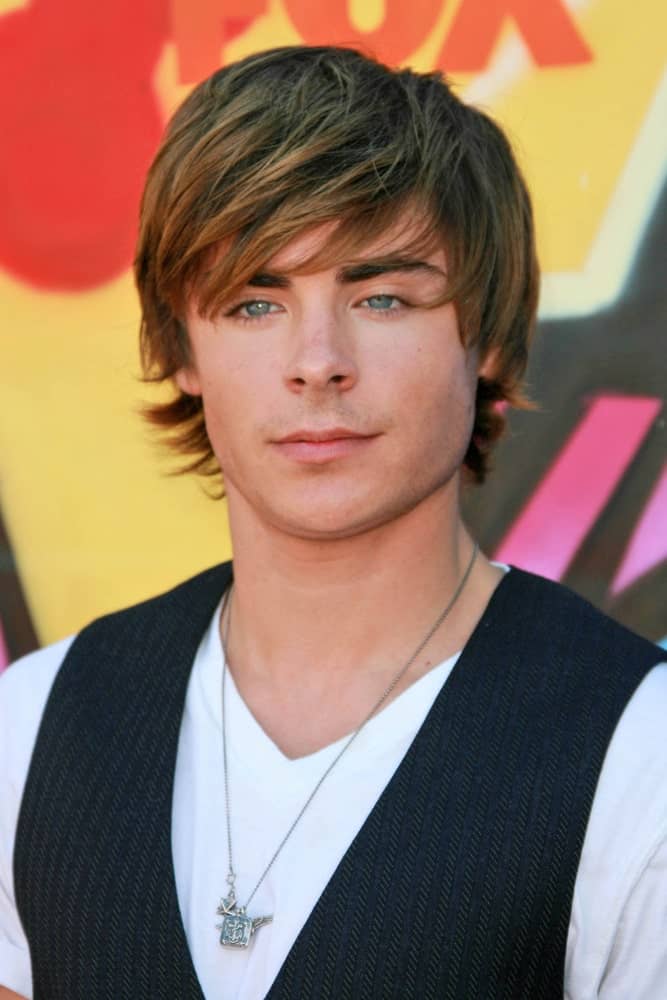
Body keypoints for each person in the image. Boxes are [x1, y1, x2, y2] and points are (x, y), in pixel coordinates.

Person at [0, 45, 665, 1000]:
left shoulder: (640, 750)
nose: (318, 360)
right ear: (179, 347)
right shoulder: (37, 724)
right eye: (256, 300)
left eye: (381, 296)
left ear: (483, 334)